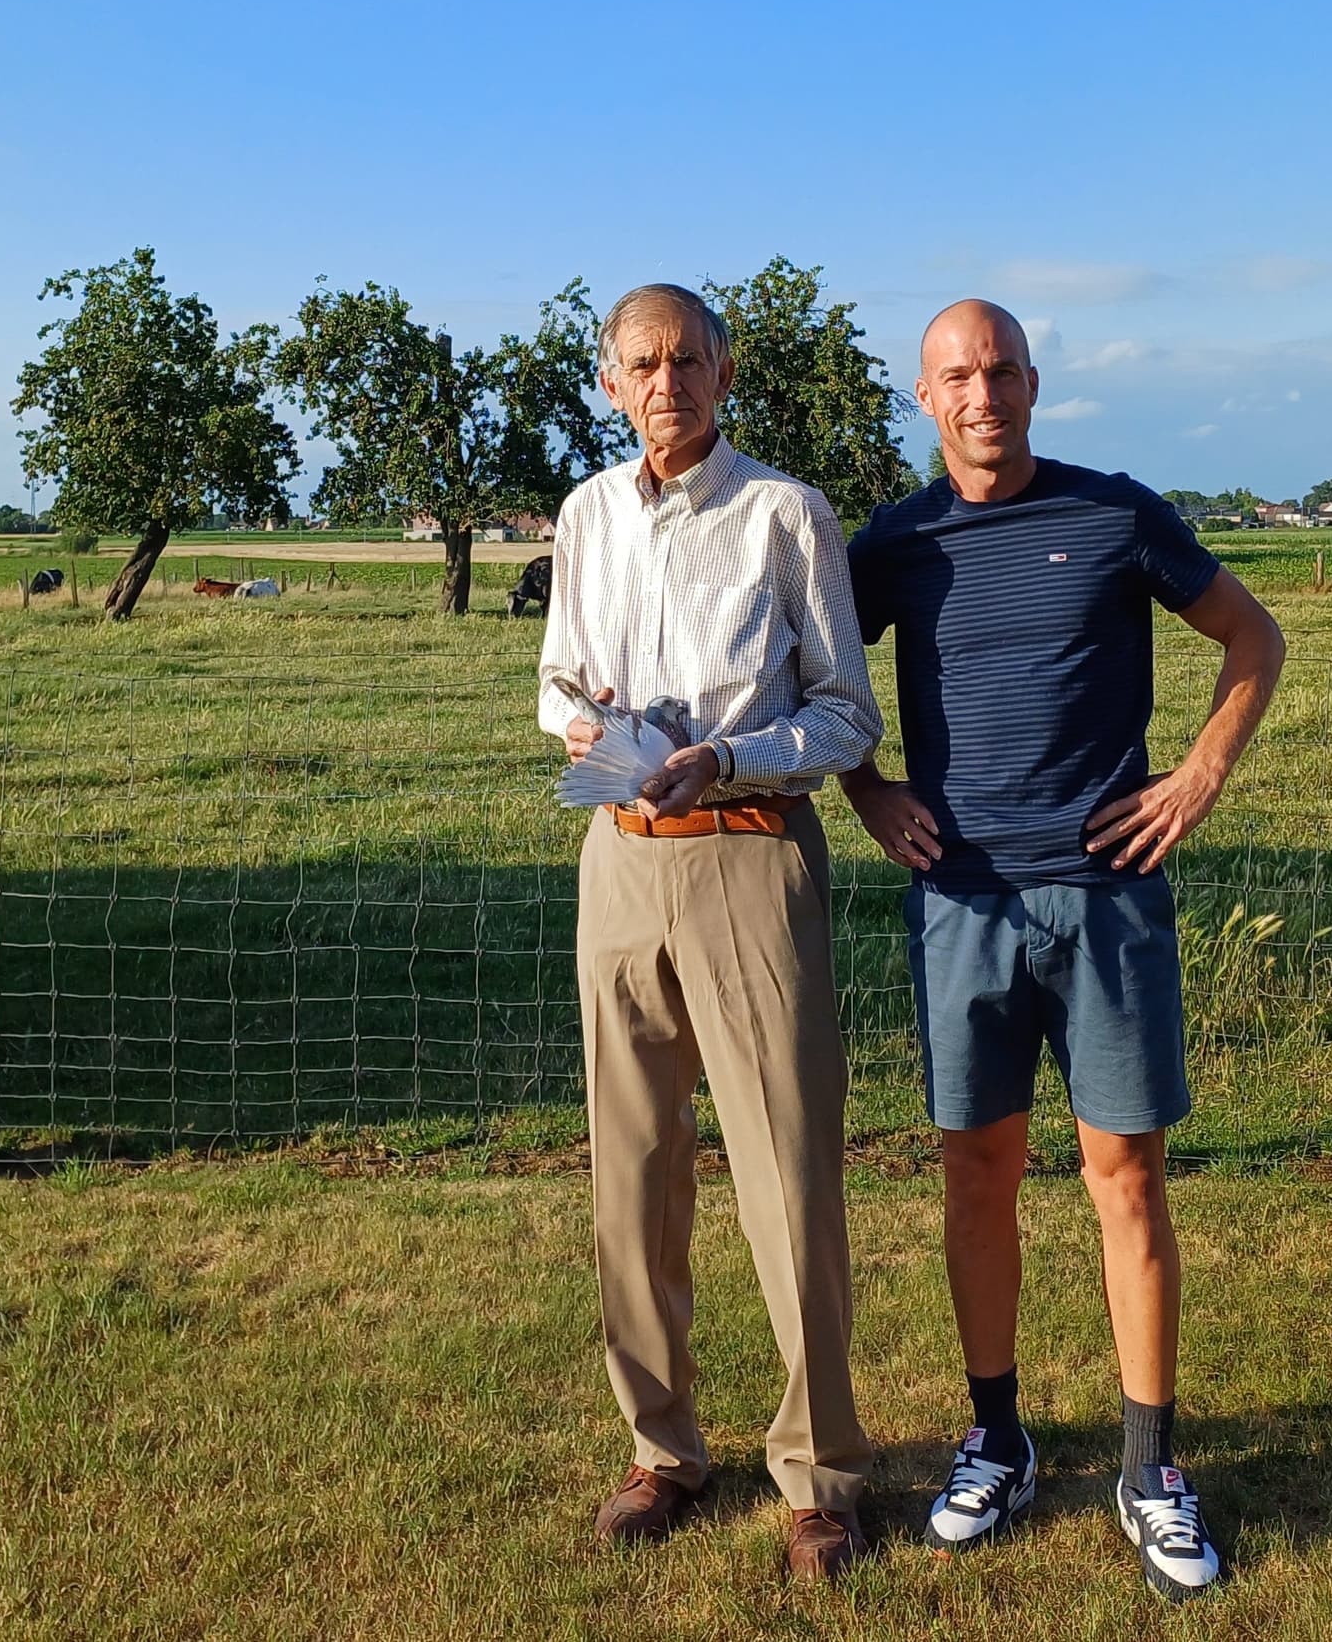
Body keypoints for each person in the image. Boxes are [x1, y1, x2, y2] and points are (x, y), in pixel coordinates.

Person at [842, 299, 1285, 1602]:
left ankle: (1151, 1469)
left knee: (1125, 1178)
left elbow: (1253, 637)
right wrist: (867, 791)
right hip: (961, 905)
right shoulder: (894, 543)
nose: (982, 395)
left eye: (1002, 371)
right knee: (975, 1176)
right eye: (958, 376)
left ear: (1033, 384)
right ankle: (999, 1439)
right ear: (926, 399)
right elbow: (814, 678)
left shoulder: (1114, 513)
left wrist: (1197, 777)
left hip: (1107, 901)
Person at [538, 282, 881, 1581]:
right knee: (631, 1171)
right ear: (611, 383)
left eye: (689, 359)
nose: (666, 382)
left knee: (788, 1176)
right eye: (643, 363)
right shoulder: (584, 515)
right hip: (619, 859)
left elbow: (847, 716)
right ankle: (661, 1450)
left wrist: (726, 757)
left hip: (748, 854)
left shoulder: (786, 514)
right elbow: (555, 686)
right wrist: (586, 726)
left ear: (725, 375)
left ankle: (820, 1476)